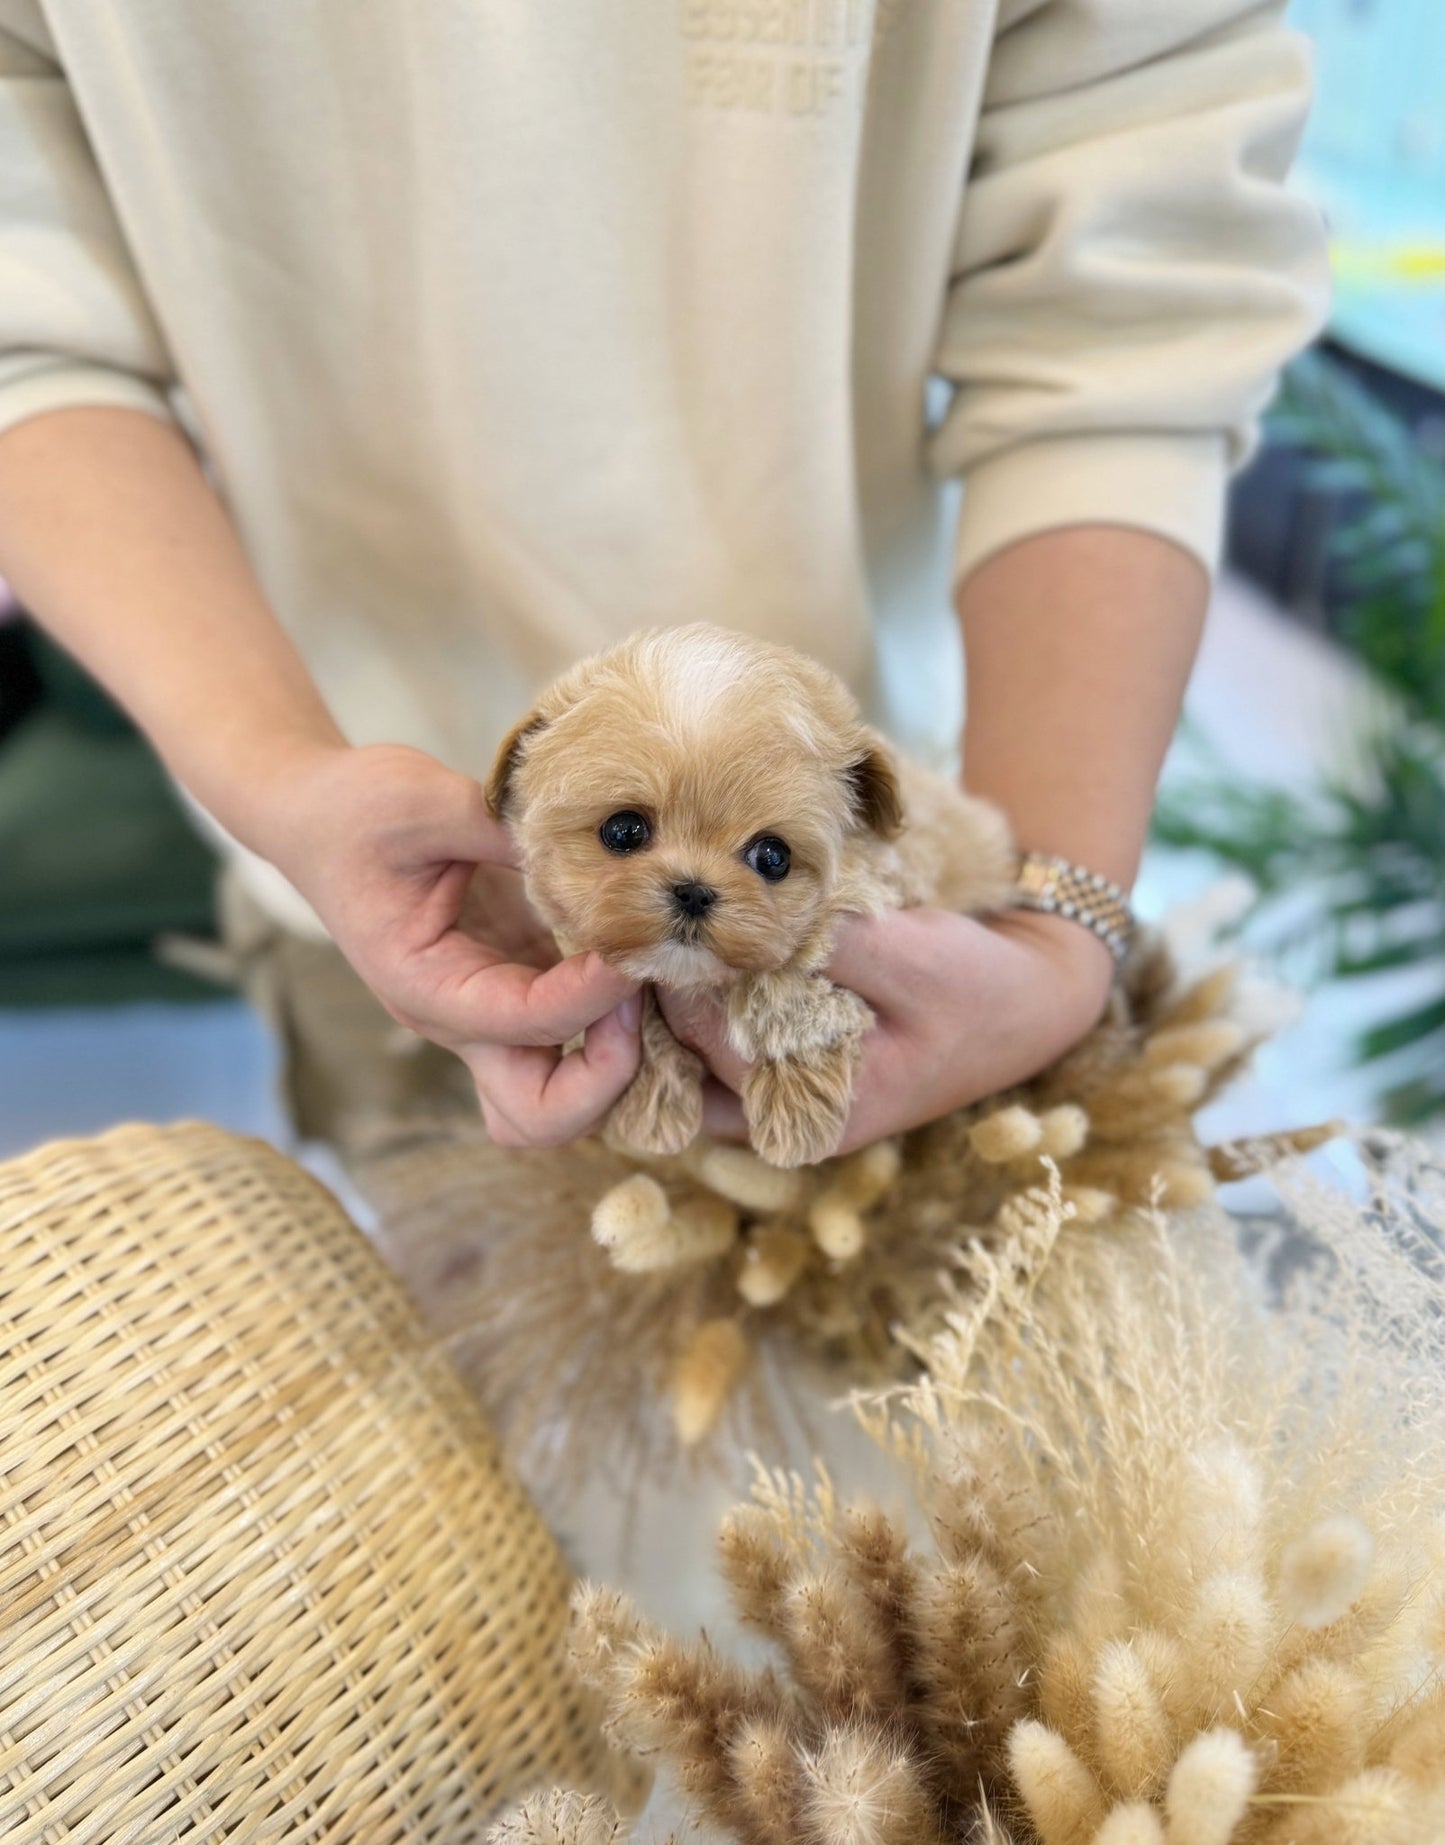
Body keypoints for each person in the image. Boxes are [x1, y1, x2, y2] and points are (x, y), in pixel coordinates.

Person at [0, 1, 1328, 1154]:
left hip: (921, 887)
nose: (687, 885)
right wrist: (282, 774)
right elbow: (28, 326)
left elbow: (1136, 292)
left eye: (744, 852)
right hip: (355, 878)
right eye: (631, 835)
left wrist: (1057, 923)